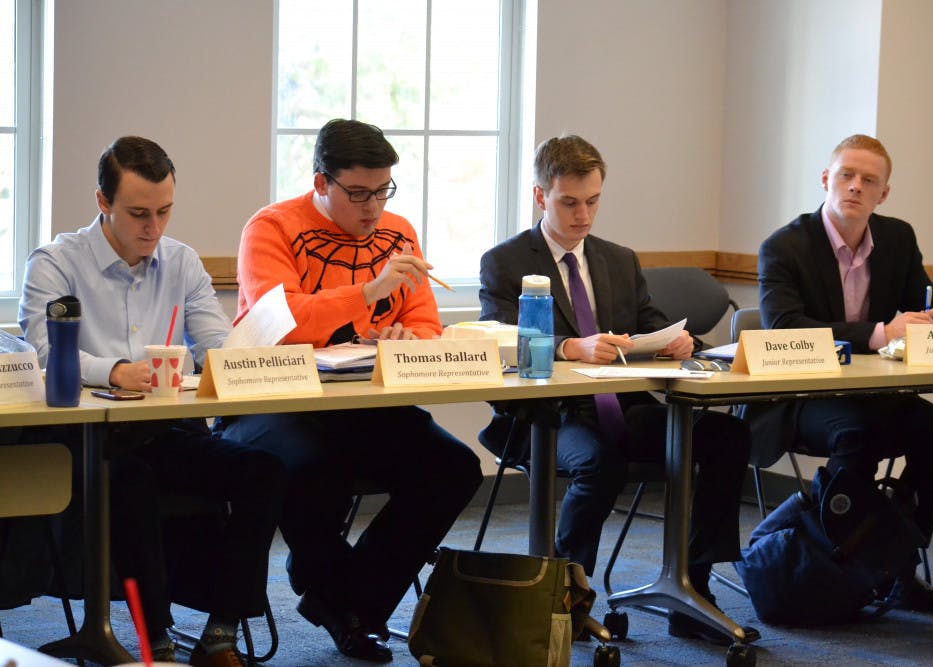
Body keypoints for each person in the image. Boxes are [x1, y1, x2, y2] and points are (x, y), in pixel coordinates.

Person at [217, 119, 483, 663]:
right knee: (311, 467)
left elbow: (425, 323)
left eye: (383, 191)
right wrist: (370, 291)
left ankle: (347, 600)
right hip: (272, 400)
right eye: (358, 193)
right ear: (321, 182)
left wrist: (405, 337)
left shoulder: (398, 231)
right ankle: (346, 606)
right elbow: (281, 322)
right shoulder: (271, 227)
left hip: (361, 402)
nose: (373, 208)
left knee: (454, 468)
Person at [18, 136, 286, 666]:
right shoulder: (55, 263)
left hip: (163, 428)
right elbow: (45, 355)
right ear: (103, 202)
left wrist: (251, 356)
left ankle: (221, 631)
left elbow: (214, 345)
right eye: (139, 214)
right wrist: (114, 370)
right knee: (131, 480)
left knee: (264, 470)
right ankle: (155, 636)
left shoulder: (181, 262)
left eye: (164, 212)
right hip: (82, 437)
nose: (154, 228)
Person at [478, 134, 751, 643]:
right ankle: (567, 593)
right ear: (540, 196)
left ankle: (693, 585)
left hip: (623, 407)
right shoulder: (506, 261)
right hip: (551, 414)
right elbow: (497, 340)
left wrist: (676, 342)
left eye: (593, 201)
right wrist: (568, 347)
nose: (583, 216)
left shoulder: (618, 259)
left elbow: (648, 323)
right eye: (569, 203)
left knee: (726, 437)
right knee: (600, 463)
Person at [750, 133, 933, 611]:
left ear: (883, 194)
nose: (855, 186)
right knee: (858, 434)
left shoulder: (898, 238)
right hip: (802, 396)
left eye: (869, 181)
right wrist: (880, 333)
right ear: (826, 179)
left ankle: (897, 564)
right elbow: (783, 329)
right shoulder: (784, 246)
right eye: (846, 175)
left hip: (872, 393)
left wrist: (929, 324)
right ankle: (838, 571)